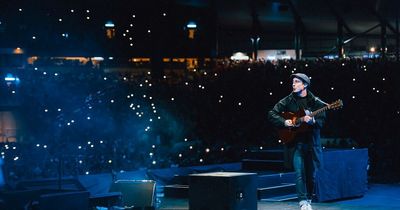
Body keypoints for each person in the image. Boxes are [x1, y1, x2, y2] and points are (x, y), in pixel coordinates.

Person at [268, 73, 326, 210]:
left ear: (305, 84)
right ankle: (302, 201)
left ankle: (309, 199)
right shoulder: (288, 100)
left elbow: (321, 121)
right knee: (299, 172)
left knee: (311, 175)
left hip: (311, 144)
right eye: (293, 82)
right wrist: (285, 121)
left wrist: (312, 121)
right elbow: (272, 114)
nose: (293, 84)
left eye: (297, 82)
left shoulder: (316, 102)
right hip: (295, 143)